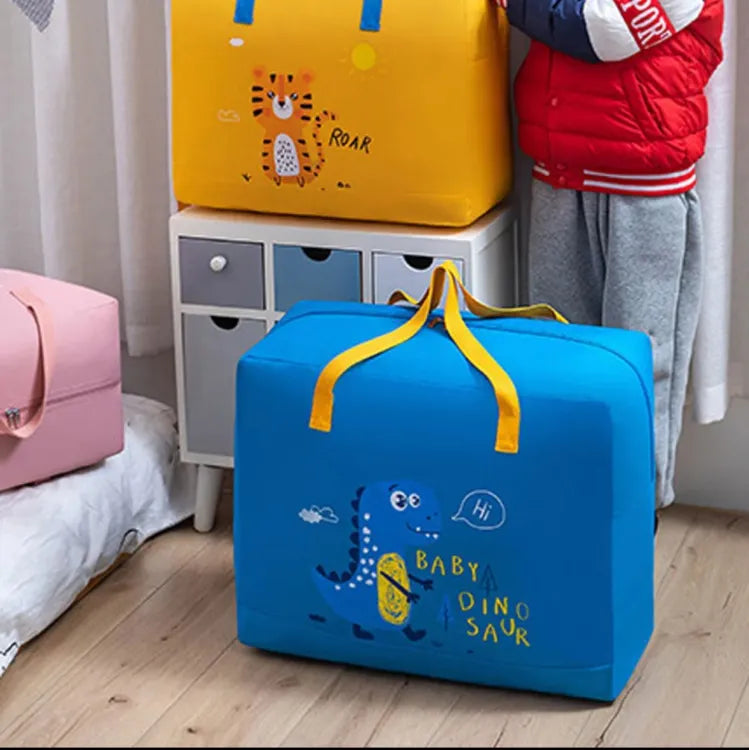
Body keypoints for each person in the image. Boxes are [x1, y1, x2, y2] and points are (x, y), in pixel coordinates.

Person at [498, 0, 725, 515]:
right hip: (561, 169)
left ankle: (634, 514)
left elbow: (605, 30)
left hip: (644, 187)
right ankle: (567, 508)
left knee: (639, 361)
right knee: (557, 350)